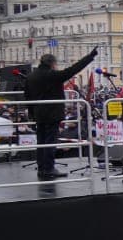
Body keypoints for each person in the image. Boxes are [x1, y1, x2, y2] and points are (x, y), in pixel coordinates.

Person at [23, 48, 97, 180]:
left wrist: (31, 113)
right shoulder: (52, 75)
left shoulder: (31, 76)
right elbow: (73, 69)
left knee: (41, 142)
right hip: (52, 114)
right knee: (50, 142)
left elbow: (27, 97)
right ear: (52, 64)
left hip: (38, 114)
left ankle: (42, 168)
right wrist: (89, 57)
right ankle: (49, 168)